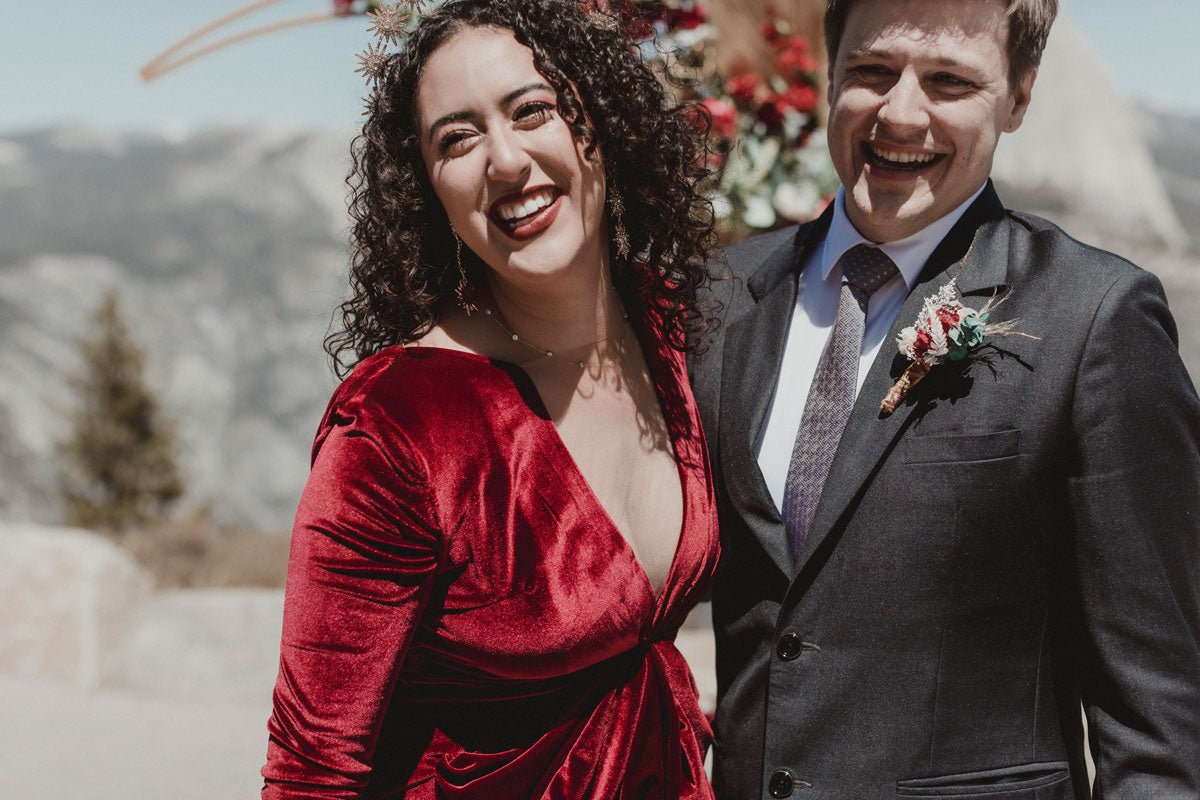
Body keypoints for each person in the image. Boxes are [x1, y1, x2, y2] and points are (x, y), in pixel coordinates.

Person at [690, 0, 1200, 797]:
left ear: (1019, 96)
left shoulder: (1094, 320)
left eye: (948, 81)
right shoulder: (722, 299)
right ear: (831, 75)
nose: (900, 112)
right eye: (871, 71)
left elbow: (1159, 714)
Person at [261, 0, 721, 797]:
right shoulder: (398, 426)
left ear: (601, 121)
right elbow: (311, 770)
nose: (505, 161)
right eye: (458, 139)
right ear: (428, 191)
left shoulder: (677, 334)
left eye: (532, 109)